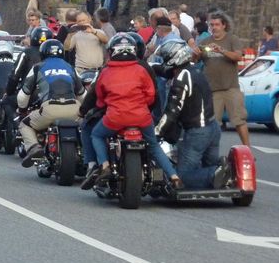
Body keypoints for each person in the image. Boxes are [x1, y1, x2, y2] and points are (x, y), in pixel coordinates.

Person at [81, 33, 183, 190]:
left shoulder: (106, 71)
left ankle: (105, 165)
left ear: (112, 51)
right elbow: (151, 95)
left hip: (115, 117)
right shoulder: (142, 69)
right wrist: (143, 107)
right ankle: (173, 176)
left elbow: (100, 97)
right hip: (142, 117)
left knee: (96, 135)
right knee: (154, 145)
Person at [155, 40, 229, 189]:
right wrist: (153, 68)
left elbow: (172, 111)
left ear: (174, 57)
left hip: (197, 132)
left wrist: (157, 132)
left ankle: (215, 173)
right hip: (213, 127)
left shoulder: (182, 77)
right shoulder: (196, 70)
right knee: (208, 167)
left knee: (181, 178)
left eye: (165, 58)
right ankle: (221, 172)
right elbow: (166, 71)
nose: (164, 62)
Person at [17, 39, 84, 167]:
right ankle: (84, 152)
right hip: (74, 109)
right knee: (86, 128)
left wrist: (22, 110)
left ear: (42, 53)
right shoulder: (70, 67)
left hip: (50, 109)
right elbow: (82, 94)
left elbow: (23, 96)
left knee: (24, 125)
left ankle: (34, 147)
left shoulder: (37, 67)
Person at [197, 12, 250, 146]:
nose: (214, 27)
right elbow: (196, 60)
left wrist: (221, 50)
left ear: (224, 25)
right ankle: (211, 154)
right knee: (212, 124)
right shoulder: (205, 42)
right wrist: (195, 54)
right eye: (212, 25)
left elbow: (238, 57)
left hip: (231, 87)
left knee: (239, 120)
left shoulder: (232, 39)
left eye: (217, 24)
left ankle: (247, 150)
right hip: (212, 89)